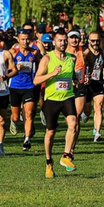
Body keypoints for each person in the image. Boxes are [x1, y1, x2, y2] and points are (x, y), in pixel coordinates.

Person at [33, 30, 78, 177]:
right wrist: (52, 73)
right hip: (51, 99)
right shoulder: (47, 58)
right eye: (60, 40)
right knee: (51, 132)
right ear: (54, 42)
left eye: (65, 40)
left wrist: (78, 79)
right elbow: (36, 80)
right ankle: (48, 162)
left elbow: (72, 76)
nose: (63, 43)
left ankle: (66, 156)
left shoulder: (72, 58)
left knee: (73, 124)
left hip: (67, 96)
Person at [9, 27, 41, 151]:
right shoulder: (13, 52)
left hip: (29, 86)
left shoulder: (34, 52)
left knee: (29, 114)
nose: (25, 42)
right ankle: (13, 121)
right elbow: (6, 68)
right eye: (23, 39)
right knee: (16, 116)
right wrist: (15, 68)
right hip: (15, 87)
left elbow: (38, 66)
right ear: (18, 39)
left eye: (27, 40)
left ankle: (27, 139)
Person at [83, 31, 104, 142]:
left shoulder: (102, 53)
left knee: (99, 107)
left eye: (97, 41)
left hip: (98, 83)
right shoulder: (86, 53)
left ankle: (97, 132)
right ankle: (85, 114)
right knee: (88, 110)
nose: (95, 43)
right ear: (88, 41)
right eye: (93, 41)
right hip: (87, 84)